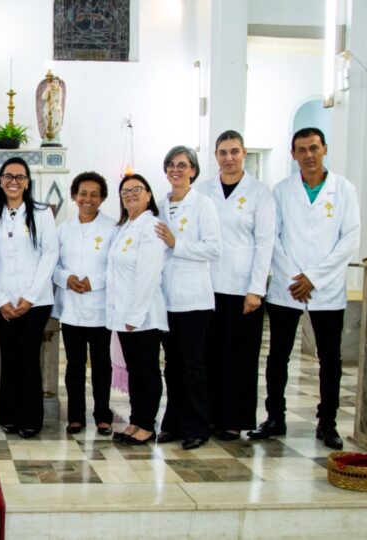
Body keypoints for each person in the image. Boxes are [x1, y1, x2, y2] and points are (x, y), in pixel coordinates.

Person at [250, 127, 360, 450]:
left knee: (330, 359)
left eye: (314, 148)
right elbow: (273, 238)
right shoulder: (281, 191)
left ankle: (327, 423)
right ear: (293, 154)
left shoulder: (344, 190)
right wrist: (295, 278)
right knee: (277, 357)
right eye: (301, 149)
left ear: (325, 149)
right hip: (287, 289)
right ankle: (275, 417)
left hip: (325, 291)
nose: (308, 155)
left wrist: (314, 277)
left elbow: (350, 238)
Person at [195, 130, 274, 441]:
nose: (228, 158)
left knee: (239, 357)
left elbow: (265, 242)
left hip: (243, 289)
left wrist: (256, 288)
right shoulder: (203, 191)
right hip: (207, 286)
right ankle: (209, 416)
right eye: (223, 152)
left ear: (243, 154)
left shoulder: (259, 193)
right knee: (208, 354)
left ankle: (233, 419)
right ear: (215, 156)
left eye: (234, 152)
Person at [0, 157, 57, 438]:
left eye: (19, 177)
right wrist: (0, 299)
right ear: (1, 181)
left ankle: (30, 418)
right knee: (9, 358)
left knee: (28, 357)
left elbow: (49, 255)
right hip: (2, 302)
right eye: (8, 176)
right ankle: (9, 415)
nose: (14, 181)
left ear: (27, 182)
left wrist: (30, 297)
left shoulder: (41, 213)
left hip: (34, 302)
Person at [154, 146, 221, 450]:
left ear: (193, 170)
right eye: (171, 165)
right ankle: (173, 422)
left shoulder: (203, 205)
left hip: (194, 299)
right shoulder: (160, 203)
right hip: (166, 298)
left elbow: (212, 248)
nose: (176, 170)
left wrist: (176, 243)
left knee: (193, 365)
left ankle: (197, 425)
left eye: (182, 165)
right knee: (172, 365)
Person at [106, 174, 168, 445]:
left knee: (146, 370)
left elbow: (148, 274)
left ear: (148, 195)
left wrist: (135, 316)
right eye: (125, 191)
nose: (130, 194)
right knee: (135, 370)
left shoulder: (151, 226)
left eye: (136, 190)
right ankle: (136, 420)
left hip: (143, 316)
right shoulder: (126, 226)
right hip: (124, 316)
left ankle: (146, 424)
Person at [54, 171, 117, 437]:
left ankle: (103, 415)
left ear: (102, 198)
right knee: (74, 365)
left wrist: (95, 282)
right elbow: (53, 264)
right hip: (71, 309)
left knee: (102, 364)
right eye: (83, 194)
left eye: (94, 194)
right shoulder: (63, 229)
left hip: (101, 307)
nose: (87, 199)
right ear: (74, 196)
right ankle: (76, 416)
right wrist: (66, 278)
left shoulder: (113, 228)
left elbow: (117, 266)